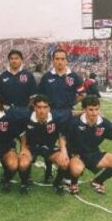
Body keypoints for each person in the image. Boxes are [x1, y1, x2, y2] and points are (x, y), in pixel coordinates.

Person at [38, 48, 85, 182]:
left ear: (66, 60)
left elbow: (82, 94)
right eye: (57, 59)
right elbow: (40, 97)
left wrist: (71, 103)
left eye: (62, 59)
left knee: (67, 143)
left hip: (66, 113)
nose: (60, 62)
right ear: (53, 60)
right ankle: (48, 169)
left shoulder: (74, 76)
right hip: (50, 114)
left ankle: (63, 172)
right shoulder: (47, 77)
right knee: (49, 143)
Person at [68, 95, 112, 195]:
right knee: (76, 170)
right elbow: (63, 137)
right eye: (91, 110)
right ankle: (73, 183)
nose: (94, 113)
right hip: (78, 155)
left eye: (96, 109)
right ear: (84, 109)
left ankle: (98, 181)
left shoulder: (103, 123)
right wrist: (66, 153)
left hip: (94, 154)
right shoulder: (75, 122)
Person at [18, 95, 69, 194]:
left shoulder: (56, 118)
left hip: (49, 147)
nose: (42, 110)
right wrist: (23, 148)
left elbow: (61, 135)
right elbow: (23, 134)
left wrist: (63, 151)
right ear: (34, 107)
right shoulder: (26, 117)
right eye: (39, 107)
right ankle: (24, 183)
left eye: (45, 107)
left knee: (65, 162)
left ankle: (57, 184)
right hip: (32, 147)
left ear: (49, 108)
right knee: (23, 164)